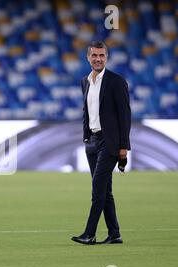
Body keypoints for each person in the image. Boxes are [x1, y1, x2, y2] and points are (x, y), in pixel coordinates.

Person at [71, 41, 131, 245]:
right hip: (93, 142)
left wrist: (124, 147)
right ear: (88, 57)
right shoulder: (85, 81)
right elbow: (86, 111)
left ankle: (90, 233)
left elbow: (125, 116)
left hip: (110, 142)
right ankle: (115, 234)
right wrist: (86, 137)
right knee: (105, 191)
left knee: (97, 189)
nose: (98, 59)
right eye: (94, 55)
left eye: (102, 56)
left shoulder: (116, 81)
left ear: (107, 58)